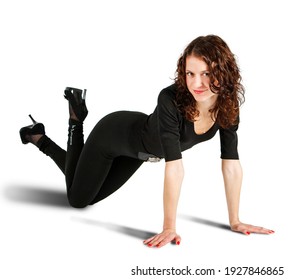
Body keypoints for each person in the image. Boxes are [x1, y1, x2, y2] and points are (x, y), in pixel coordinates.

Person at [19, 35, 274, 248]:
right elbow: (175, 166)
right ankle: (76, 119)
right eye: (190, 73)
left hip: (140, 154)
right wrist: (169, 227)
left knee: (84, 188)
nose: (197, 83)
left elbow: (231, 163)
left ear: (224, 72)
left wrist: (235, 220)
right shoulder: (170, 99)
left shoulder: (227, 107)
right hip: (112, 135)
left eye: (207, 73)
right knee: (78, 200)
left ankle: (37, 135)